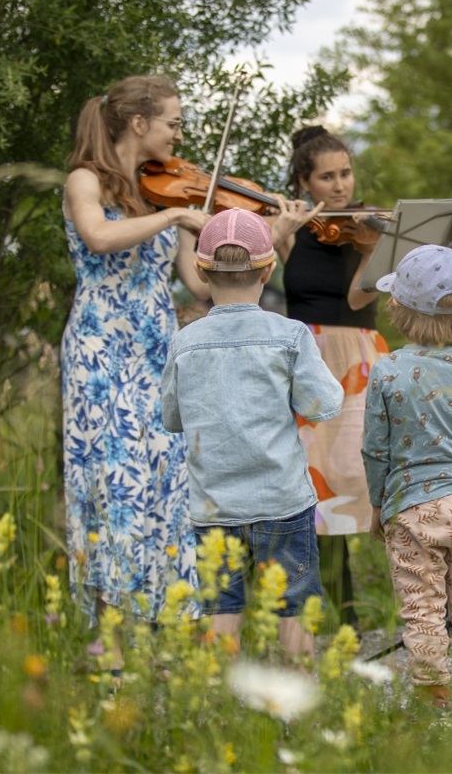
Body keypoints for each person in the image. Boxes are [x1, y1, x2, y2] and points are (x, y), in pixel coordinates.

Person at [61, 75, 210, 659]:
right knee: (112, 487)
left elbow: (198, 285)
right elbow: (98, 236)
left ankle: (162, 644)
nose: (179, 132)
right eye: (173, 121)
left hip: (155, 355)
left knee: (163, 488)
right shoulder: (85, 181)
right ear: (139, 123)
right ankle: (112, 646)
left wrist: (260, 240)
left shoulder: (163, 193)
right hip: (100, 355)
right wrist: (174, 220)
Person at [161, 208, 343, 662]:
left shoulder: (185, 341)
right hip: (281, 499)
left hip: (215, 506)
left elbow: (171, 418)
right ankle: (300, 717)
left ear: (201, 270)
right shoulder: (289, 335)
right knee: (293, 607)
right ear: (268, 268)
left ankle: (223, 714)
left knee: (223, 609)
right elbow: (326, 405)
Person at [362, 245, 452, 709]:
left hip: (411, 507)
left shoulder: (386, 371)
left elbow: (375, 449)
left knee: (422, 608)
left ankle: (433, 699)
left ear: (397, 307)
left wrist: (378, 504)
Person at [266, 125, 388, 629]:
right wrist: (276, 231)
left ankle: (426, 605)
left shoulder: (369, 229)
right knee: (319, 492)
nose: (340, 186)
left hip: (358, 358)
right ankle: (340, 615)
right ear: (304, 182)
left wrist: (372, 247)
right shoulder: (291, 231)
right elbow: (251, 280)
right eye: (327, 177)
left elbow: (360, 299)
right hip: (307, 359)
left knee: (366, 478)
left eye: (346, 173)